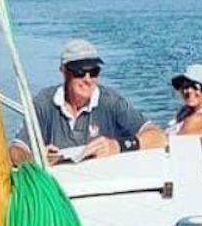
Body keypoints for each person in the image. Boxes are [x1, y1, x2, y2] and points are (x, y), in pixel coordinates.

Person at [9, 39, 166, 166]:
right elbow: (16, 150)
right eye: (79, 72)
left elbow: (158, 136)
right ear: (63, 72)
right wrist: (36, 158)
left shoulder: (110, 101)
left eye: (94, 72)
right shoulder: (43, 103)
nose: (88, 79)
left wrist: (117, 146)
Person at [167, 64, 202, 136]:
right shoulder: (187, 110)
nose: (189, 91)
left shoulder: (199, 119)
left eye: (195, 87)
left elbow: (173, 142)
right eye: (185, 86)